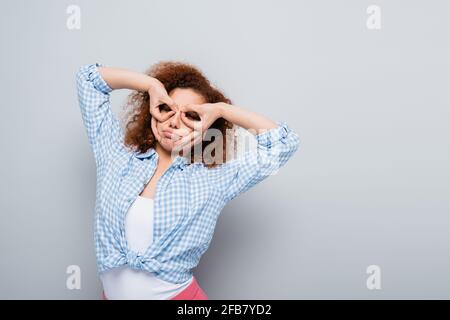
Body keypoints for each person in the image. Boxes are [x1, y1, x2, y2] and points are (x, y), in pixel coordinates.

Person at [75, 61, 300, 300]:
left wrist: (221, 110)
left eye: (190, 116)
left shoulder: (213, 180)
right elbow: (88, 81)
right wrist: (151, 85)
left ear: (206, 127)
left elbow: (283, 144)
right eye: (167, 109)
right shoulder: (116, 155)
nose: (174, 122)